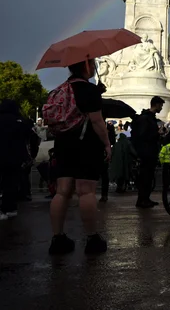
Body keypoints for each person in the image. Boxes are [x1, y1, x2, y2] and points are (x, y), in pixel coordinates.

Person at [48, 60, 111, 254]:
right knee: (86, 192)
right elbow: (97, 121)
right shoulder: (89, 90)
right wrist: (107, 144)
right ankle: (92, 239)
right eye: (91, 64)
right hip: (86, 145)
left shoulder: (59, 90)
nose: (93, 67)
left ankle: (57, 239)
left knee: (62, 191)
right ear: (85, 67)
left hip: (63, 144)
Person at [1, 100, 33, 220]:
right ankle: (9, 208)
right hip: (14, 156)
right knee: (11, 183)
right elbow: (29, 135)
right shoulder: (20, 121)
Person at [131, 96, 164, 208]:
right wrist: (157, 133)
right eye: (161, 105)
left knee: (148, 176)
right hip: (146, 152)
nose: (162, 108)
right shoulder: (146, 118)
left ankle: (145, 198)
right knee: (145, 176)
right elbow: (143, 136)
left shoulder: (148, 118)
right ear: (157, 105)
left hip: (149, 151)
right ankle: (142, 200)